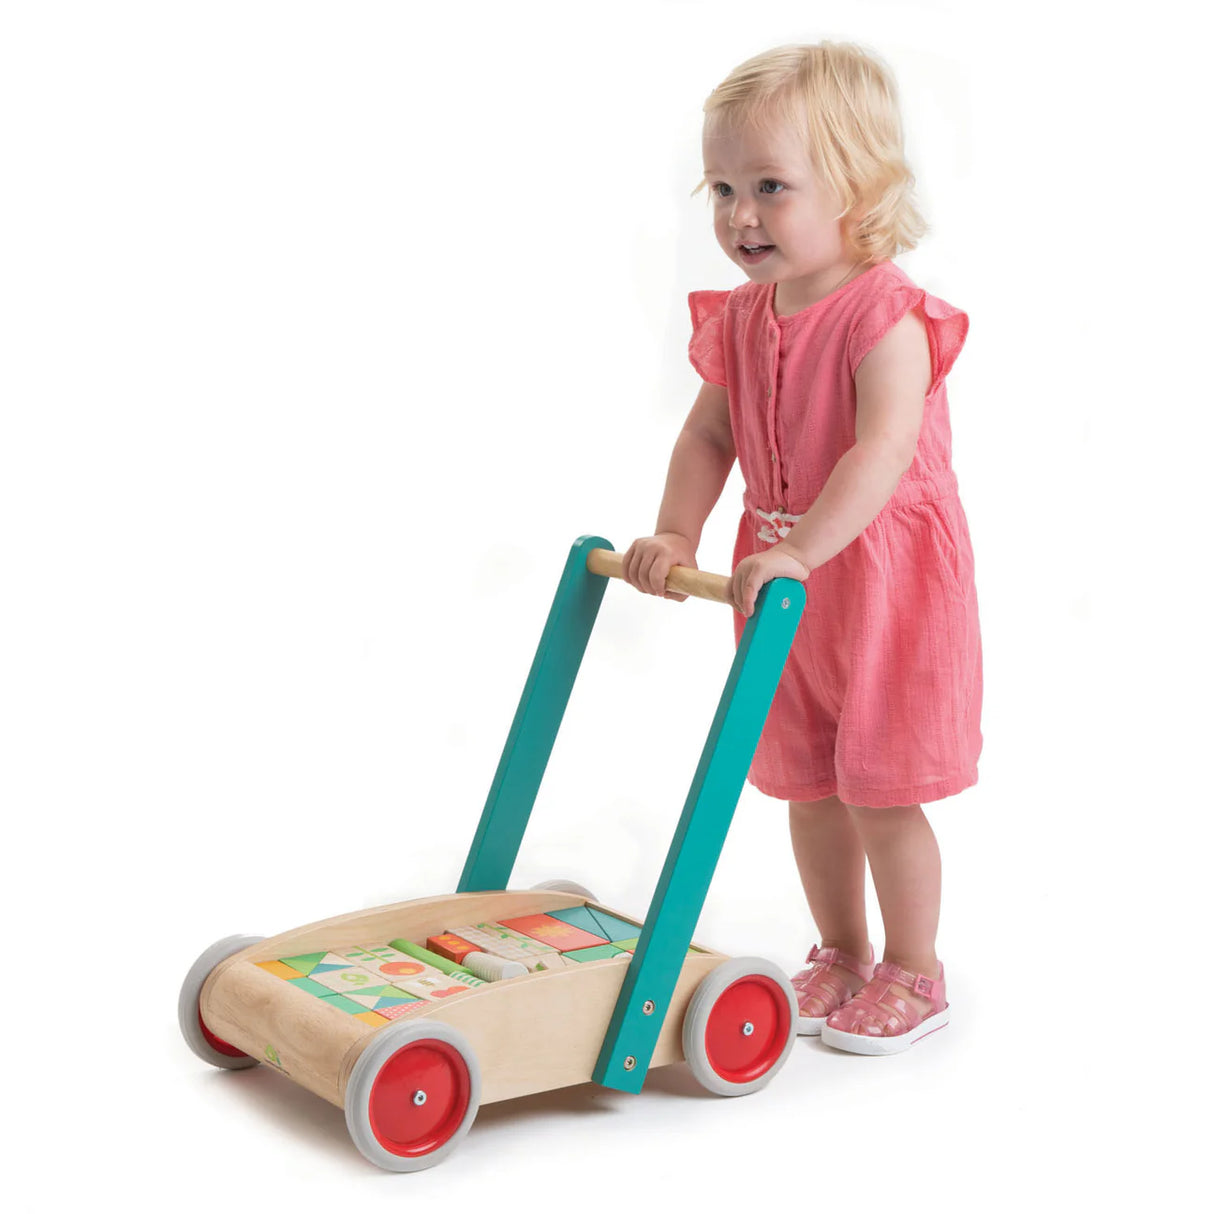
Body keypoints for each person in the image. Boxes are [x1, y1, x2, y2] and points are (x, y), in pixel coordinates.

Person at [622, 42, 981, 1055]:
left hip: (880, 579)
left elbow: (882, 449)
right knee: (806, 782)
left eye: (770, 187)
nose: (739, 216)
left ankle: (915, 967)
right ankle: (838, 948)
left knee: (880, 784)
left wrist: (803, 548)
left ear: (857, 188)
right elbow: (708, 434)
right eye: (724, 188)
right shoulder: (740, 319)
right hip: (777, 581)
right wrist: (674, 532)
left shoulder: (885, 314)